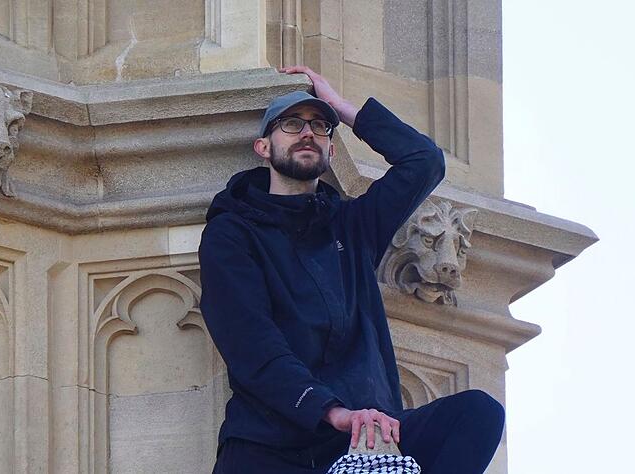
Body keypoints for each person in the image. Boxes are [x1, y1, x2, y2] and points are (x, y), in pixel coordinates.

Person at [198, 66, 505, 473]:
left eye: (320, 127)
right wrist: (331, 411)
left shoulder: (351, 227)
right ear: (263, 147)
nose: (308, 133)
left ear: (330, 150)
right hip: (272, 445)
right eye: (291, 124)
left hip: (364, 440)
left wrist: (342, 108)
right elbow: (251, 344)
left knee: (477, 413)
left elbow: (423, 162)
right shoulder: (232, 234)